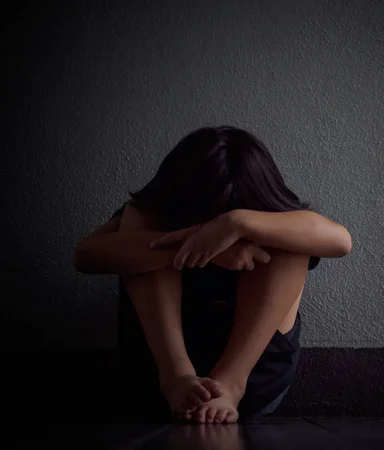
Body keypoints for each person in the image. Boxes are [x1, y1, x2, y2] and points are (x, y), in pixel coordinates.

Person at [73, 125, 352, 424]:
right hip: (158, 372)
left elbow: (341, 241)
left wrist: (238, 224)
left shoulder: (269, 216)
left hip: (253, 380)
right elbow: (86, 255)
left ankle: (230, 384)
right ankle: (177, 375)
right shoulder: (148, 214)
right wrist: (198, 244)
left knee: (291, 240)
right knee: (140, 220)